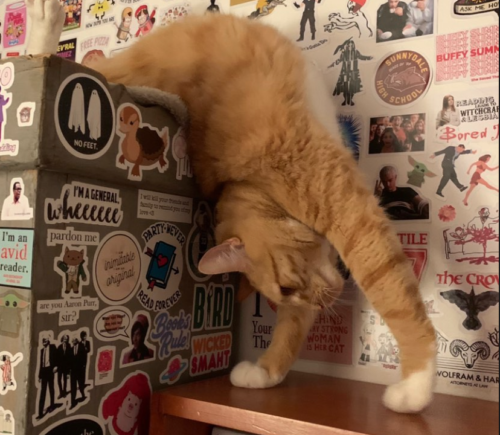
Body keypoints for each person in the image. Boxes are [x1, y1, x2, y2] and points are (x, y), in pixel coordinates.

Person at [37, 335, 58, 420]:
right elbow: (41, 364)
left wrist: (56, 366)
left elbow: (57, 357)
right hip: (44, 371)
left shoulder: (53, 347)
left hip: (50, 370)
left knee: (51, 389)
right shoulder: (42, 350)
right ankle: (40, 413)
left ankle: (52, 405)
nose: (44, 342)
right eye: (43, 341)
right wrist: (39, 375)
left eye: (45, 341)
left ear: (48, 341)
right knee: (43, 392)